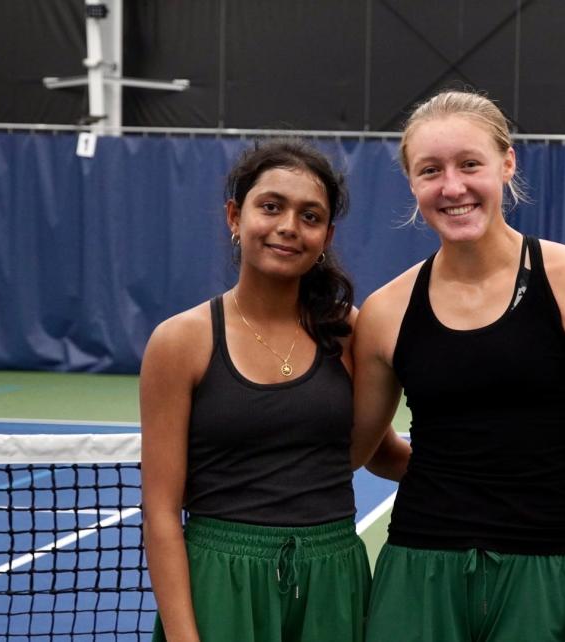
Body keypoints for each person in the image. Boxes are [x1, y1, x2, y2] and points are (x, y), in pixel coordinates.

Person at [351, 90, 565, 642]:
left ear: (507, 163)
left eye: (470, 164)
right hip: (415, 574)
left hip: (542, 575)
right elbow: (358, 450)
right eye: (430, 170)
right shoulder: (385, 312)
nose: (452, 187)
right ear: (412, 183)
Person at [141, 139, 402, 642]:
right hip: (222, 581)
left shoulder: (350, 332)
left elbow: (382, 452)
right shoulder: (180, 342)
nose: (288, 227)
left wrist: (485, 471)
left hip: (333, 581)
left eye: (310, 216)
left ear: (326, 236)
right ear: (235, 217)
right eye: (271, 206)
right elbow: (160, 512)